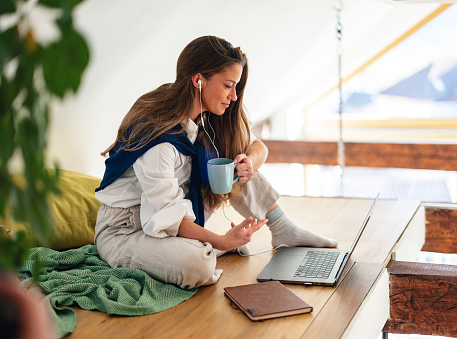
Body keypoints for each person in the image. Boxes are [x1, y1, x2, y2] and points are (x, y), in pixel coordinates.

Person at [94, 36, 337, 289]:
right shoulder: (159, 142)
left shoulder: (205, 114)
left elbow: (258, 147)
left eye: (236, 87)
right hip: (126, 230)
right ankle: (210, 246)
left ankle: (282, 226)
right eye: (228, 86)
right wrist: (221, 241)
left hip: (174, 210)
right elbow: (169, 217)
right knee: (198, 265)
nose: (233, 96)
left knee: (233, 163)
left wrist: (248, 162)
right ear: (198, 80)